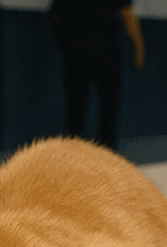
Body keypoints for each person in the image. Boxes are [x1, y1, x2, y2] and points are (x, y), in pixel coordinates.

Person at [50, 0, 145, 150]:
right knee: (107, 112)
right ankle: (105, 155)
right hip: (105, 51)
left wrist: (66, 44)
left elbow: (56, 14)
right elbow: (127, 13)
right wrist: (138, 47)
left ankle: (75, 156)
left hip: (77, 52)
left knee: (76, 111)